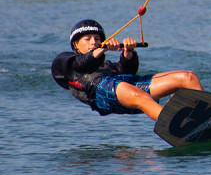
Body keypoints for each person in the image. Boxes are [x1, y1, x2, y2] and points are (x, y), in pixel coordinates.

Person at [51, 19, 203, 121]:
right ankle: (176, 124)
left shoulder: (106, 65)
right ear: (76, 44)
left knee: (187, 77)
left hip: (123, 87)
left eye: (97, 39)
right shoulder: (64, 61)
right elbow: (82, 64)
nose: (94, 42)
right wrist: (101, 50)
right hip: (100, 91)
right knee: (139, 94)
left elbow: (127, 72)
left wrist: (128, 53)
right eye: (88, 39)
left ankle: (207, 116)